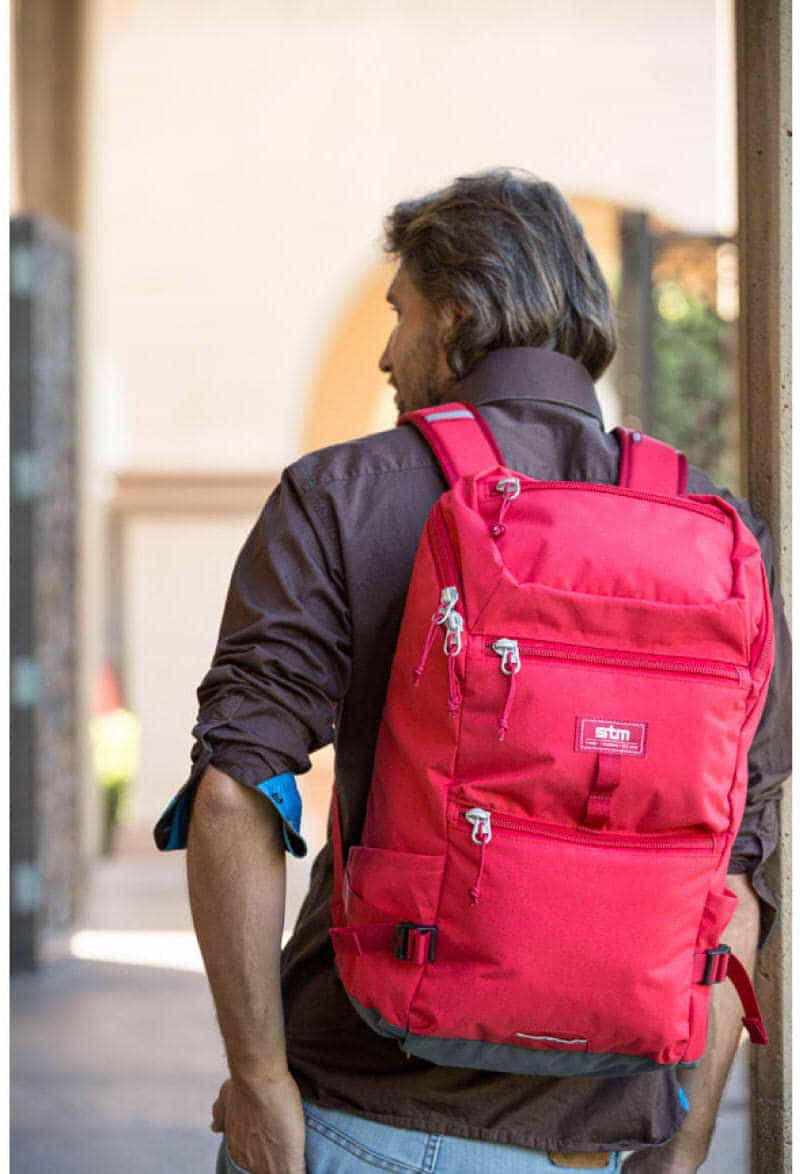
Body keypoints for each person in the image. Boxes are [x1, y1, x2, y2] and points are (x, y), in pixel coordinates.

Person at [154, 169, 791, 1174]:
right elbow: (735, 870)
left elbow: (236, 791)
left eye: (398, 312)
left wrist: (260, 1080)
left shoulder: (343, 492)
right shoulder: (717, 533)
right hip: (589, 1138)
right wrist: (679, 1151)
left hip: (353, 1101)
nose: (385, 351)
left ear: (454, 315)